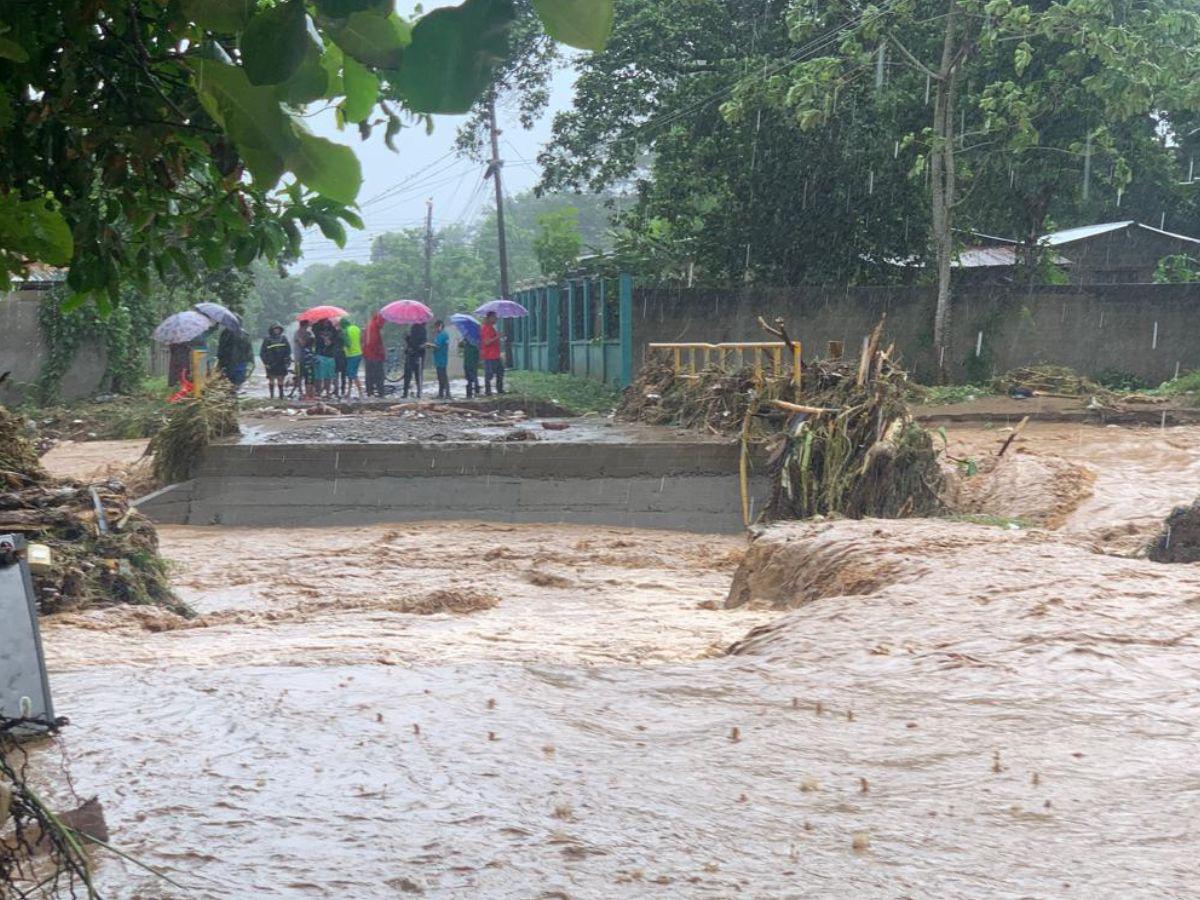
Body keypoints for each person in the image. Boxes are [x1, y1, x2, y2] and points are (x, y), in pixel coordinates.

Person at [259, 323, 292, 400]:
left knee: (281, 379)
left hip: (281, 362)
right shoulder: (267, 339)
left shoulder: (283, 338)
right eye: (275, 329)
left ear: (281, 330)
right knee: (271, 379)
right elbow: (262, 352)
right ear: (272, 330)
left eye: (278, 329)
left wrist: (287, 361)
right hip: (271, 362)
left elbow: (288, 351)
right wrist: (265, 363)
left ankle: (281, 396)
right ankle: (272, 396)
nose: (277, 330)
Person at [216, 326, 254, 390]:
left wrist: (220, 359)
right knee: (235, 378)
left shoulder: (244, 334)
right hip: (233, 360)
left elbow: (248, 348)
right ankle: (235, 390)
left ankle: (236, 390)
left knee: (235, 378)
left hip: (236, 360)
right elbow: (222, 347)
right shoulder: (243, 334)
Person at [480, 310, 504, 395]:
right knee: (489, 374)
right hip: (489, 355)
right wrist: (498, 337)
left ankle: (500, 389)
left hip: (495, 355)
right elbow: (487, 342)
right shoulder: (486, 328)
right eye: (494, 317)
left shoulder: (492, 328)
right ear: (489, 318)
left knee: (500, 372)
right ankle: (488, 391)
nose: (496, 319)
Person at [363, 310, 386, 398]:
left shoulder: (370, 326)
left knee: (369, 375)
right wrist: (381, 354)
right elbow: (373, 343)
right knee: (378, 375)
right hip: (374, 356)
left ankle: (370, 392)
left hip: (368, 355)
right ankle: (380, 392)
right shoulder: (373, 327)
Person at [313, 321, 338, 398]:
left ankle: (327, 392)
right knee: (318, 375)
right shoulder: (316, 330)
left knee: (328, 375)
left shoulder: (333, 331)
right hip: (319, 355)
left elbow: (334, 342)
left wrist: (328, 340)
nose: (325, 323)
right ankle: (318, 392)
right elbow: (315, 341)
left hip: (330, 356)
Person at [403, 321, 427, 398]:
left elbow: (414, 344)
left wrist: (408, 339)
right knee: (418, 376)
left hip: (413, 356)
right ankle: (418, 393)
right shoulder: (421, 330)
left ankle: (406, 393)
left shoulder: (415, 329)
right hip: (418, 357)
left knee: (409, 376)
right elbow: (420, 345)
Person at [342, 317, 364, 400]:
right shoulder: (356, 328)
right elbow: (361, 339)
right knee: (350, 374)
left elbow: (347, 344)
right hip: (358, 353)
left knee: (352, 374)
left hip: (351, 355)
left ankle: (361, 392)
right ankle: (349, 393)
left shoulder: (345, 331)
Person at [430, 319, 451, 399]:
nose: (435, 329)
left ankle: (447, 394)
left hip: (441, 359)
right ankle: (441, 393)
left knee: (443, 376)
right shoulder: (439, 335)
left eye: (436, 327)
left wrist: (429, 344)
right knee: (440, 377)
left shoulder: (443, 335)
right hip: (438, 358)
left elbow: (437, 345)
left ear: (440, 326)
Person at [294, 321, 315, 399]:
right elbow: (302, 344)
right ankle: (301, 391)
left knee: (309, 375)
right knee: (301, 375)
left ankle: (310, 393)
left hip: (309, 356)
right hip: (300, 356)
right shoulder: (298, 333)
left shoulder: (309, 333)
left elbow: (312, 342)